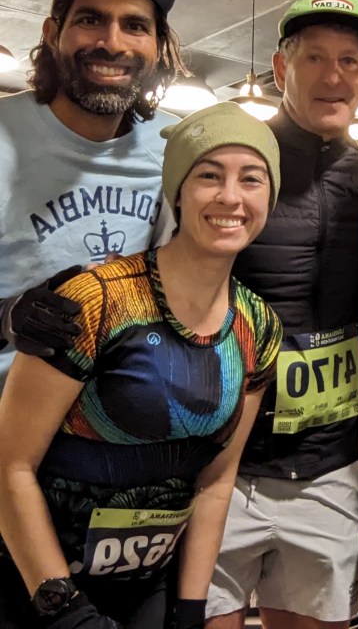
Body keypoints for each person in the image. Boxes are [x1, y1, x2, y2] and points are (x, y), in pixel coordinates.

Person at [0, 102, 283, 629]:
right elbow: (9, 465)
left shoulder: (258, 327)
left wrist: (191, 609)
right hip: (36, 587)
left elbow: (215, 483)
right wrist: (65, 609)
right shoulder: (96, 300)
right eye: (208, 176)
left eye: (251, 178)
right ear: (177, 192)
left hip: (147, 589)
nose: (230, 197)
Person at [206, 0, 358, 629]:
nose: (332, 75)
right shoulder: (237, 166)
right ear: (282, 68)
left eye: (349, 61)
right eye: (314, 57)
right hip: (222, 466)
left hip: (326, 469)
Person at [0, 0, 186, 392]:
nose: (111, 43)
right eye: (90, 20)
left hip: (116, 415)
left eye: (135, 26)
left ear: (157, 47)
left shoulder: (174, 146)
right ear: (52, 33)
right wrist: (8, 316)